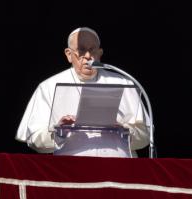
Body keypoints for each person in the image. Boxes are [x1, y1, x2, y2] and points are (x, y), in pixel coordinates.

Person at [15, 27, 149, 157]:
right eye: (81, 50)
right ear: (68, 54)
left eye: (92, 50)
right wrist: (59, 131)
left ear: (100, 53)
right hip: (71, 171)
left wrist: (124, 130)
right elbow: (34, 138)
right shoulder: (48, 87)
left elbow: (146, 136)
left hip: (118, 170)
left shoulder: (124, 83)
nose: (88, 56)